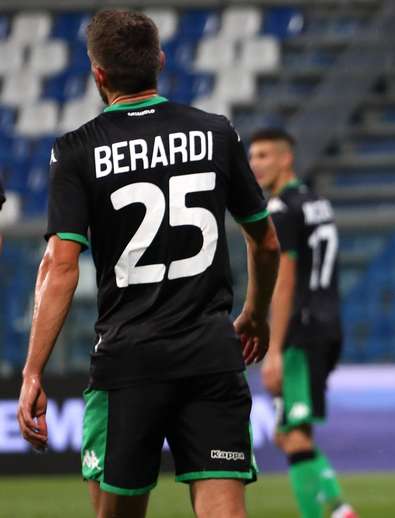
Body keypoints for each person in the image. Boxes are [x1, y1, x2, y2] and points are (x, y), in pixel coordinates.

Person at [16, 10, 279, 518]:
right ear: (159, 61)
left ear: (98, 74)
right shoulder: (216, 132)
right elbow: (265, 242)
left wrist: (33, 371)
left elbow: (61, 265)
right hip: (211, 355)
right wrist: (254, 314)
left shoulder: (76, 150)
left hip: (127, 361)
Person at [248, 129, 356, 518]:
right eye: (252, 157)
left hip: (301, 329)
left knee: (293, 434)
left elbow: (285, 279)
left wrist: (273, 350)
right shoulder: (316, 203)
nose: (254, 164)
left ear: (285, 159)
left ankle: (332, 512)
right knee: (289, 432)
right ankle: (339, 507)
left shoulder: (281, 209)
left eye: (262, 156)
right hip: (327, 323)